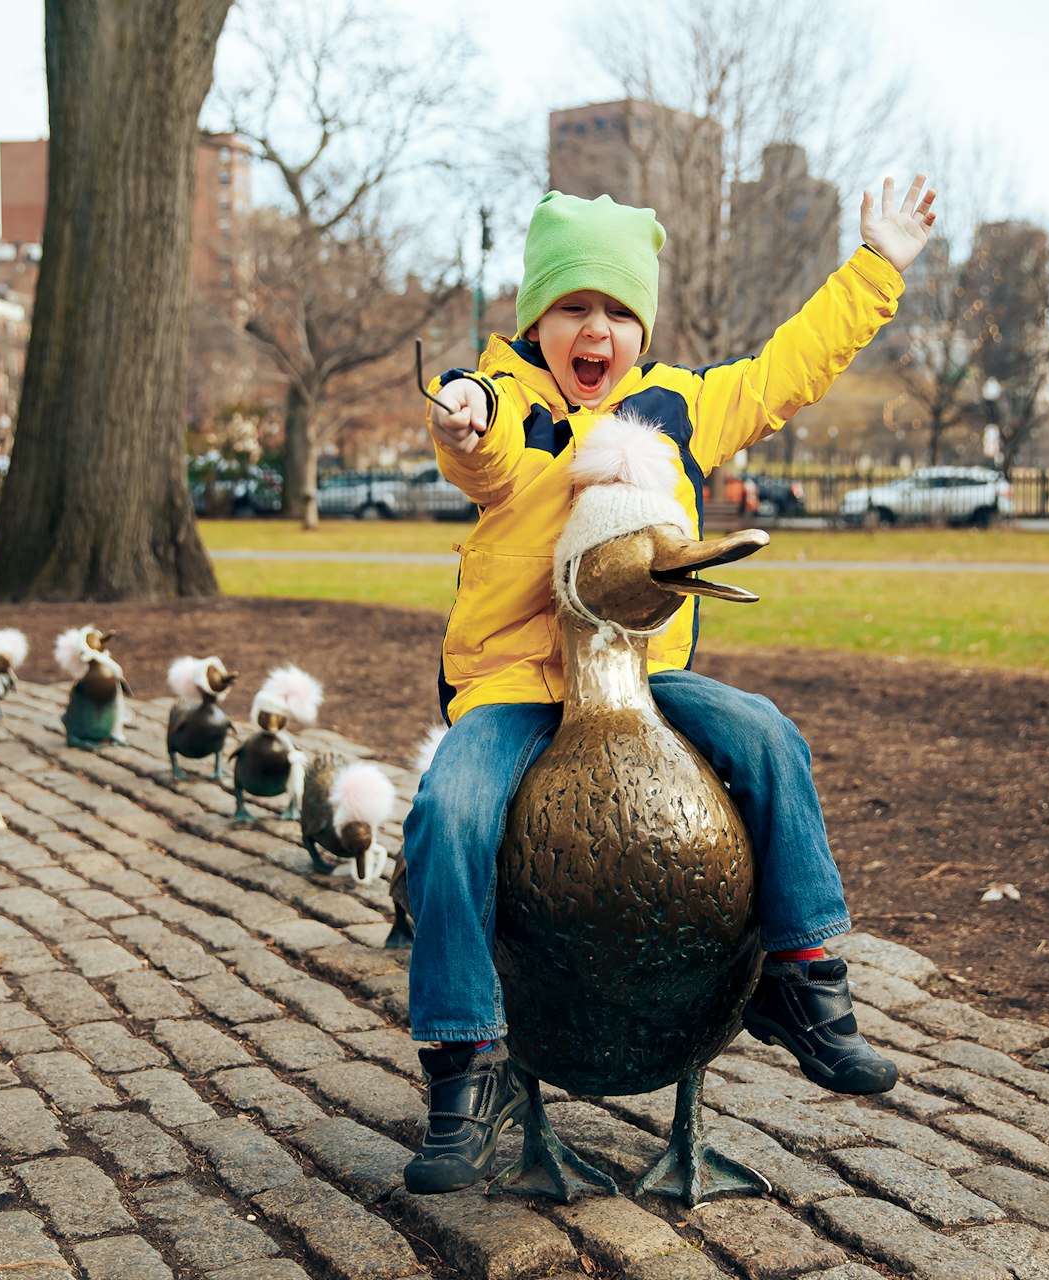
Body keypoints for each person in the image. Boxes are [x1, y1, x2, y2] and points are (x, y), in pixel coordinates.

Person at [402, 176, 938, 1194]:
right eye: (571, 307)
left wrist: (878, 269)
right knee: (452, 804)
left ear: (640, 325)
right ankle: (461, 1061)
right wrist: (463, 417)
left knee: (769, 735)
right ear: (535, 322)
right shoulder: (512, 403)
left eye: (615, 309)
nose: (593, 329)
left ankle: (804, 979)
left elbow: (790, 367)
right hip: (518, 687)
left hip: (644, 678)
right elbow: (480, 444)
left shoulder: (680, 406)